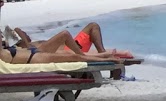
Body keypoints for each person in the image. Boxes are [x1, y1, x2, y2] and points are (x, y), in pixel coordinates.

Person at [7, 22, 136, 61]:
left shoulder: (34, 45)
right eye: (25, 35)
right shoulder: (27, 46)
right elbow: (17, 29)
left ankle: (103, 52)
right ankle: (106, 55)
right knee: (99, 55)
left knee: (93, 26)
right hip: (70, 50)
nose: (27, 34)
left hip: (73, 46)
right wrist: (24, 40)